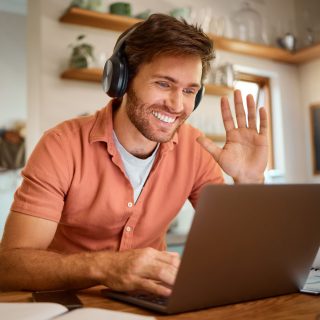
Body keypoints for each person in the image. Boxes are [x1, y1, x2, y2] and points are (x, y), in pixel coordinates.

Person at [0, 13, 268, 296]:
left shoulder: (196, 148)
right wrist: (106, 267)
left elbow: (238, 250)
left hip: (152, 304)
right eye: (163, 84)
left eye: (190, 90)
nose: (177, 105)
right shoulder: (60, 145)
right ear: (122, 80)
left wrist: (249, 184)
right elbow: (9, 267)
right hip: (71, 305)